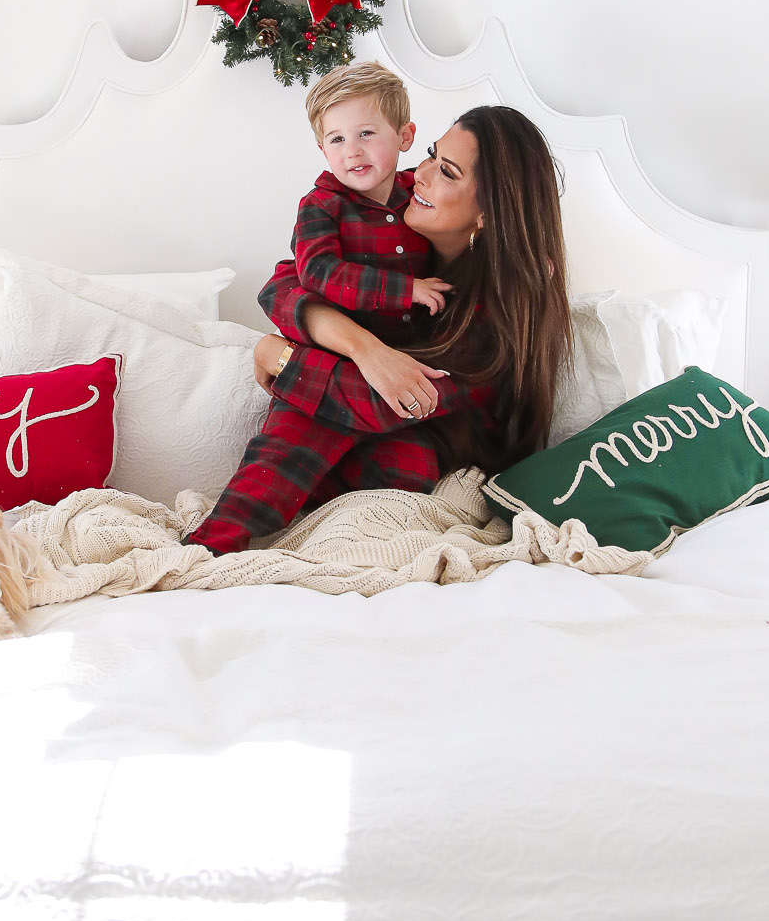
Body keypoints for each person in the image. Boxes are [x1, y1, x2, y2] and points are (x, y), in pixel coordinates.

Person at [184, 104, 572, 554]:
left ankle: (217, 543)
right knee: (314, 422)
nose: (420, 174)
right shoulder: (388, 214)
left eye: (446, 172)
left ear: (488, 214)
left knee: (377, 450)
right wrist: (364, 346)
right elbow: (289, 280)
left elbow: (388, 400)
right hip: (358, 425)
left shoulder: (505, 307)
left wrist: (281, 357)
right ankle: (217, 541)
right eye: (429, 153)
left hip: (421, 447)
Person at [293, 60, 453, 337]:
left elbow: (471, 208)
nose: (352, 151)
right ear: (323, 150)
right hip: (352, 349)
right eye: (337, 140)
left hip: (420, 342)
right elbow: (319, 271)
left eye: (365, 133)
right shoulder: (320, 205)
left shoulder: (420, 191)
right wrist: (408, 289)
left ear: (404, 137)